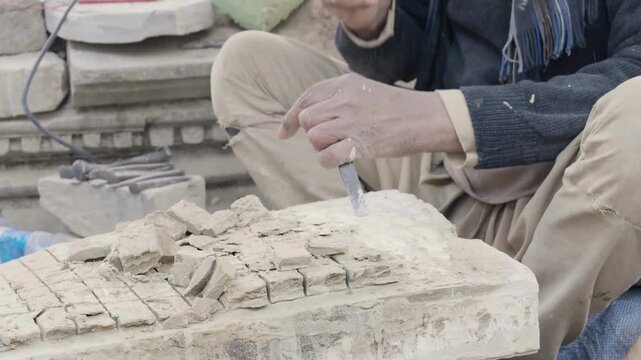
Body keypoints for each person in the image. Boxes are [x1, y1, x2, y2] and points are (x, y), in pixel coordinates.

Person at [210, 0, 641, 358]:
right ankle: (377, 297)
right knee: (248, 66)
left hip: (570, 199)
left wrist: (440, 117)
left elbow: (632, 71)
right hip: (446, 172)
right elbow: (409, 53)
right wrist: (371, 21)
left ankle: (512, 340)